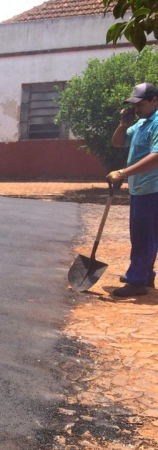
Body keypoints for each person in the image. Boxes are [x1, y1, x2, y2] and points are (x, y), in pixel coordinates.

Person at [108, 82, 158, 297]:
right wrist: (122, 123)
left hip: (152, 189)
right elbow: (118, 143)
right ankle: (145, 274)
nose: (136, 108)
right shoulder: (140, 124)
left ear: (155, 101)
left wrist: (123, 173)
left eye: (141, 104)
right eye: (134, 105)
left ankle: (137, 281)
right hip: (141, 189)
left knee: (141, 236)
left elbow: (156, 157)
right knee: (148, 235)